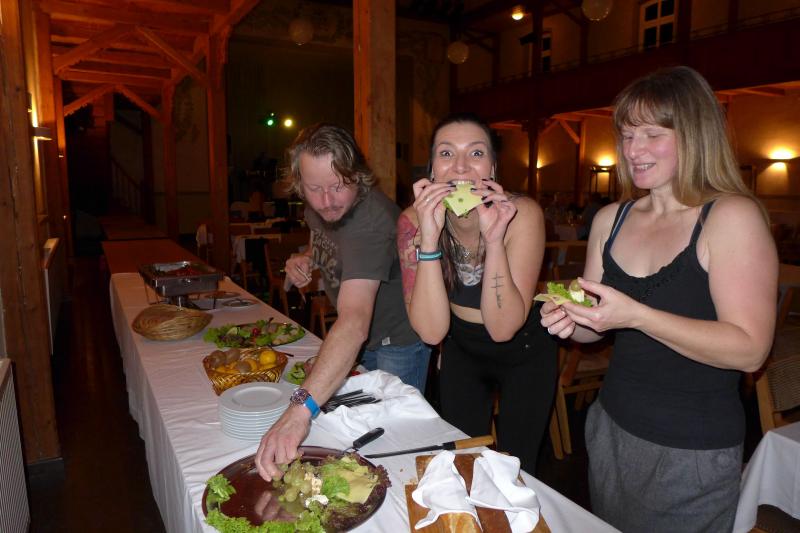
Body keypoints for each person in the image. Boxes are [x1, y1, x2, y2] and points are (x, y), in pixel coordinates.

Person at [540, 66, 778, 532]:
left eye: (652, 134)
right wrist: (572, 321)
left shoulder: (730, 216)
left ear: (695, 134)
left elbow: (750, 350)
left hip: (691, 449)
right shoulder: (611, 218)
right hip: (610, 427)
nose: (633, 150)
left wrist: (639, 316)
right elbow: (595, 328)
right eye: (627, 135)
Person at [255, 123, 430, 481]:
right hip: (363, 340)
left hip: (397, 341)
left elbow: (353, 322)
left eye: (338, 186)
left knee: (393, 444)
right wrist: (307, 256)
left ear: (357, 175)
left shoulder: (372, 221)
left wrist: (299, 410)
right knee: (356, 435)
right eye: (314, 188)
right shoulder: (317, 209)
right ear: (300, 183)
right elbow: (326, 241)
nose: (326, 201)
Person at [397, 113, 556, 473]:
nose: (461, 167)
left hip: (524, 348)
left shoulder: (521, 214)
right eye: (447, 153)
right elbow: (431, 332)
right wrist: (429, 238)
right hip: (461, 348)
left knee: (517, 468)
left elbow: (502, 329)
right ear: (432, 169)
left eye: (476, 153)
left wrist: (494, 240)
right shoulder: (412, 221)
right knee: (461, 461)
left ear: (493, 169)